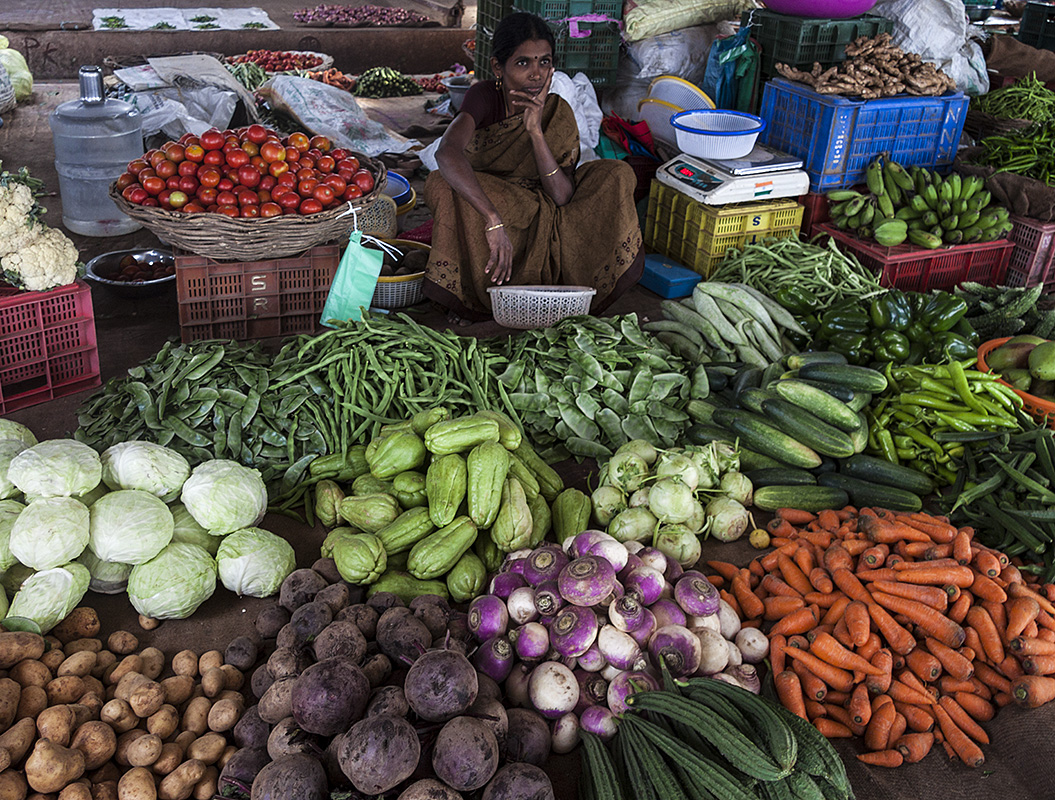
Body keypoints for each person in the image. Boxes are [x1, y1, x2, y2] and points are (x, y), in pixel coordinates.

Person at [423, 11, 645, 323]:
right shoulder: (485, 96)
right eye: (523, 63)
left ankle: (572, 290)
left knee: (617, 174)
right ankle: (478, 298)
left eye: (544, 61)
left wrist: (535, 132)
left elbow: (562, 197)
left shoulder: (557, 111)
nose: (536, 74)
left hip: (547, 206)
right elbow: (447, 153)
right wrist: (493, 219)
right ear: (498, 67)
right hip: (495, 204)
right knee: (440, 183)